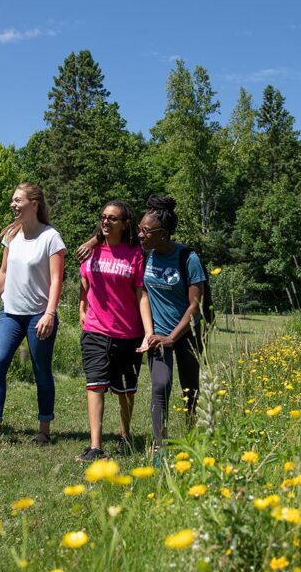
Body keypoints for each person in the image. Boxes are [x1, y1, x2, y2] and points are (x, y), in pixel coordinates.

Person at [0, 183, 66, 446]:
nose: (13, 205)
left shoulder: (51, 237)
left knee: (41, 370)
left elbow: (57, 280)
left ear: (34, 204)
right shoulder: (11, 236)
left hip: (39, 315)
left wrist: (50, 312)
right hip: (10, 313)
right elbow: (3, 273)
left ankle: (44, 428)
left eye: (18, 200)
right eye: (12, 201)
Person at [75, 200, 152, 462]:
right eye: (103, 217)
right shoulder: (91, 252)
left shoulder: (135, 254)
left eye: (113, 218)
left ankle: (125, 435)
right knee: (95, 385)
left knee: (125, 390)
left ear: (125, 223)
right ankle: (95, 445)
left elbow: (141, 294)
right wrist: (82, 306)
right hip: (96, 330)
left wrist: (147, 331)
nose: (106, 222)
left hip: (128, 333)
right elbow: (84, 281)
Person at [136, 195, 206, 451]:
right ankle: (159, 445)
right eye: (139, 230)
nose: (140, 235)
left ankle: (191, 438)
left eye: (146, 231)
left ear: (163, 234)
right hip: (157, 334)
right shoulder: (146, 255)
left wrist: (172, 338)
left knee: (190, 389)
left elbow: (194, 306)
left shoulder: (188, 258)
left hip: (187, 334)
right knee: (160, 385)